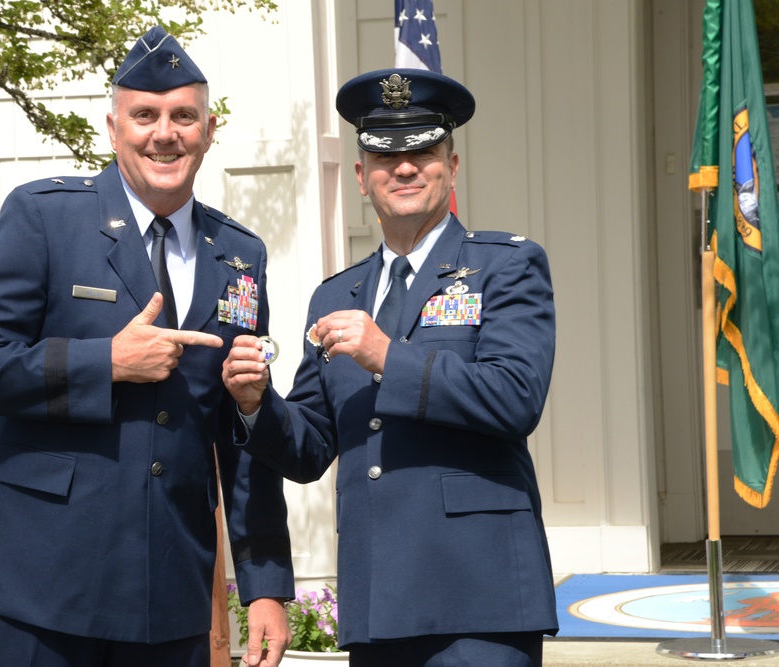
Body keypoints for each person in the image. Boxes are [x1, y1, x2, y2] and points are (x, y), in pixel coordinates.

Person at [0, 26, 293, 667]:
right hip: (35, 589)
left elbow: (241, 420)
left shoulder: (239, 255)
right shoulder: (45, 218)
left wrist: (263, 582)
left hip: (167, 595)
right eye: (145, 115)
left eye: (184, 116)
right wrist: (105, 363)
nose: (165, 133)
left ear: (208, 131)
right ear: (112, 126)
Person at [222, 68, 559, 667]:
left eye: (423, 151)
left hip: (479, 597)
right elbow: (309, 447)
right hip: (378, 601)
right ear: (361, 178)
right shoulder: (336, 296)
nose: (404, 168)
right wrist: (255, 404)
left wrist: (387, 356)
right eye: (383, 156)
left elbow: (516, 397)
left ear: (452, 167)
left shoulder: (506, 265)